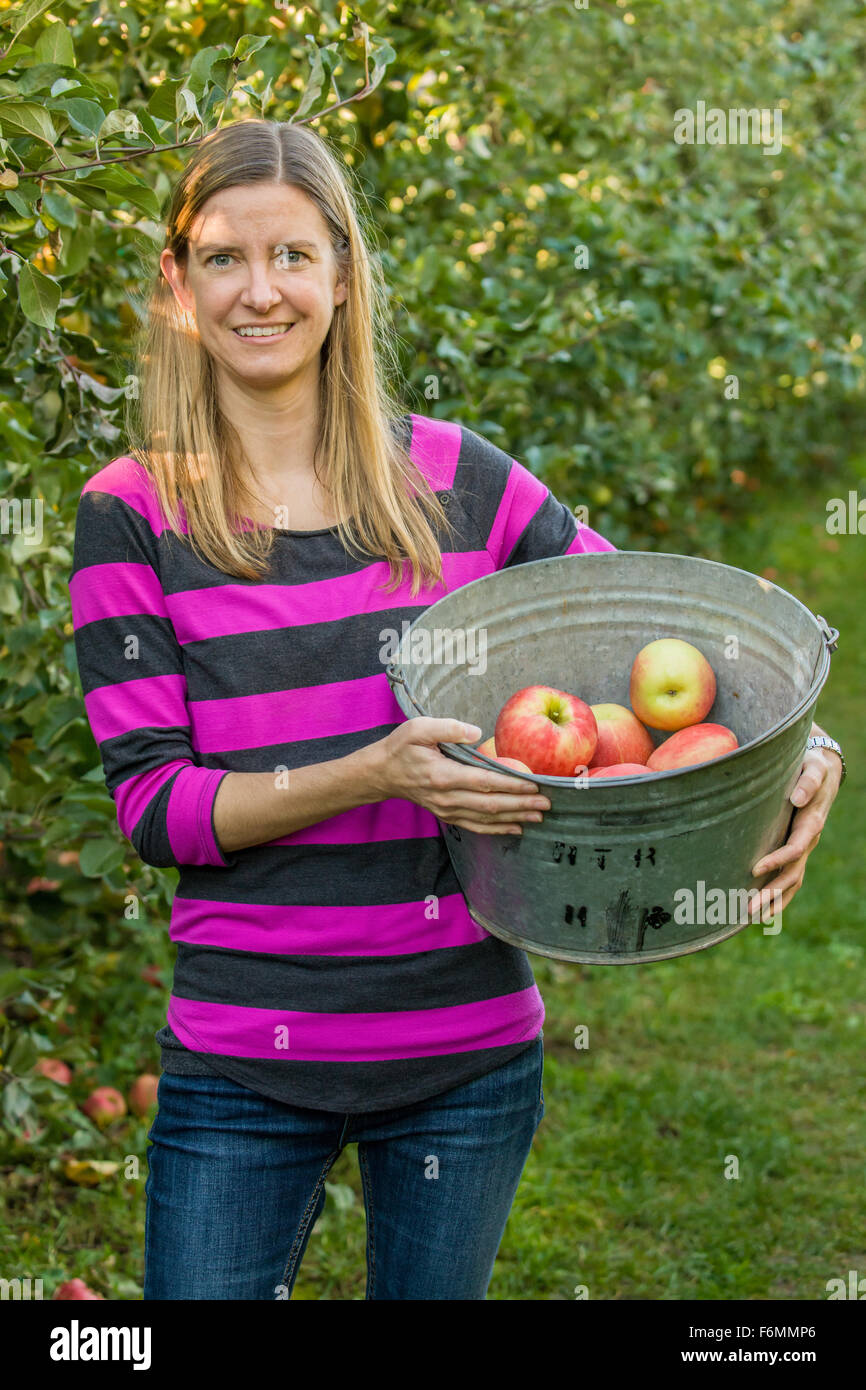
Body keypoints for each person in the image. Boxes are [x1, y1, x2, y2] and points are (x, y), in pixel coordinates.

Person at [68, 119, 844, 1301]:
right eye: (224, 257)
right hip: (239, 1058)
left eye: (291, 257)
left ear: (341, 275)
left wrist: (805, 745)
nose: (259, 292)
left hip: (463, 1049)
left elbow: (659, 634)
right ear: (177, 285)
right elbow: (156, 808)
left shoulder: (457, 480)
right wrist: (373, 773)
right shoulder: (131, 514)